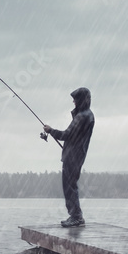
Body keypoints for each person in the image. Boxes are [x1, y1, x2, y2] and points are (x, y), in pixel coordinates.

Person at [43, 87, 94, 228]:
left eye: (75, 99)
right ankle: (75, 216)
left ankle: (76, 217)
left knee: (69, 186)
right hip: (77, 154)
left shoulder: (82, 116)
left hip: (73, 156)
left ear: (81, 100)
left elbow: (67, 135)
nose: (73, 101)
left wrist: (50, 130)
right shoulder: (87, 115)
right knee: (70, 185)